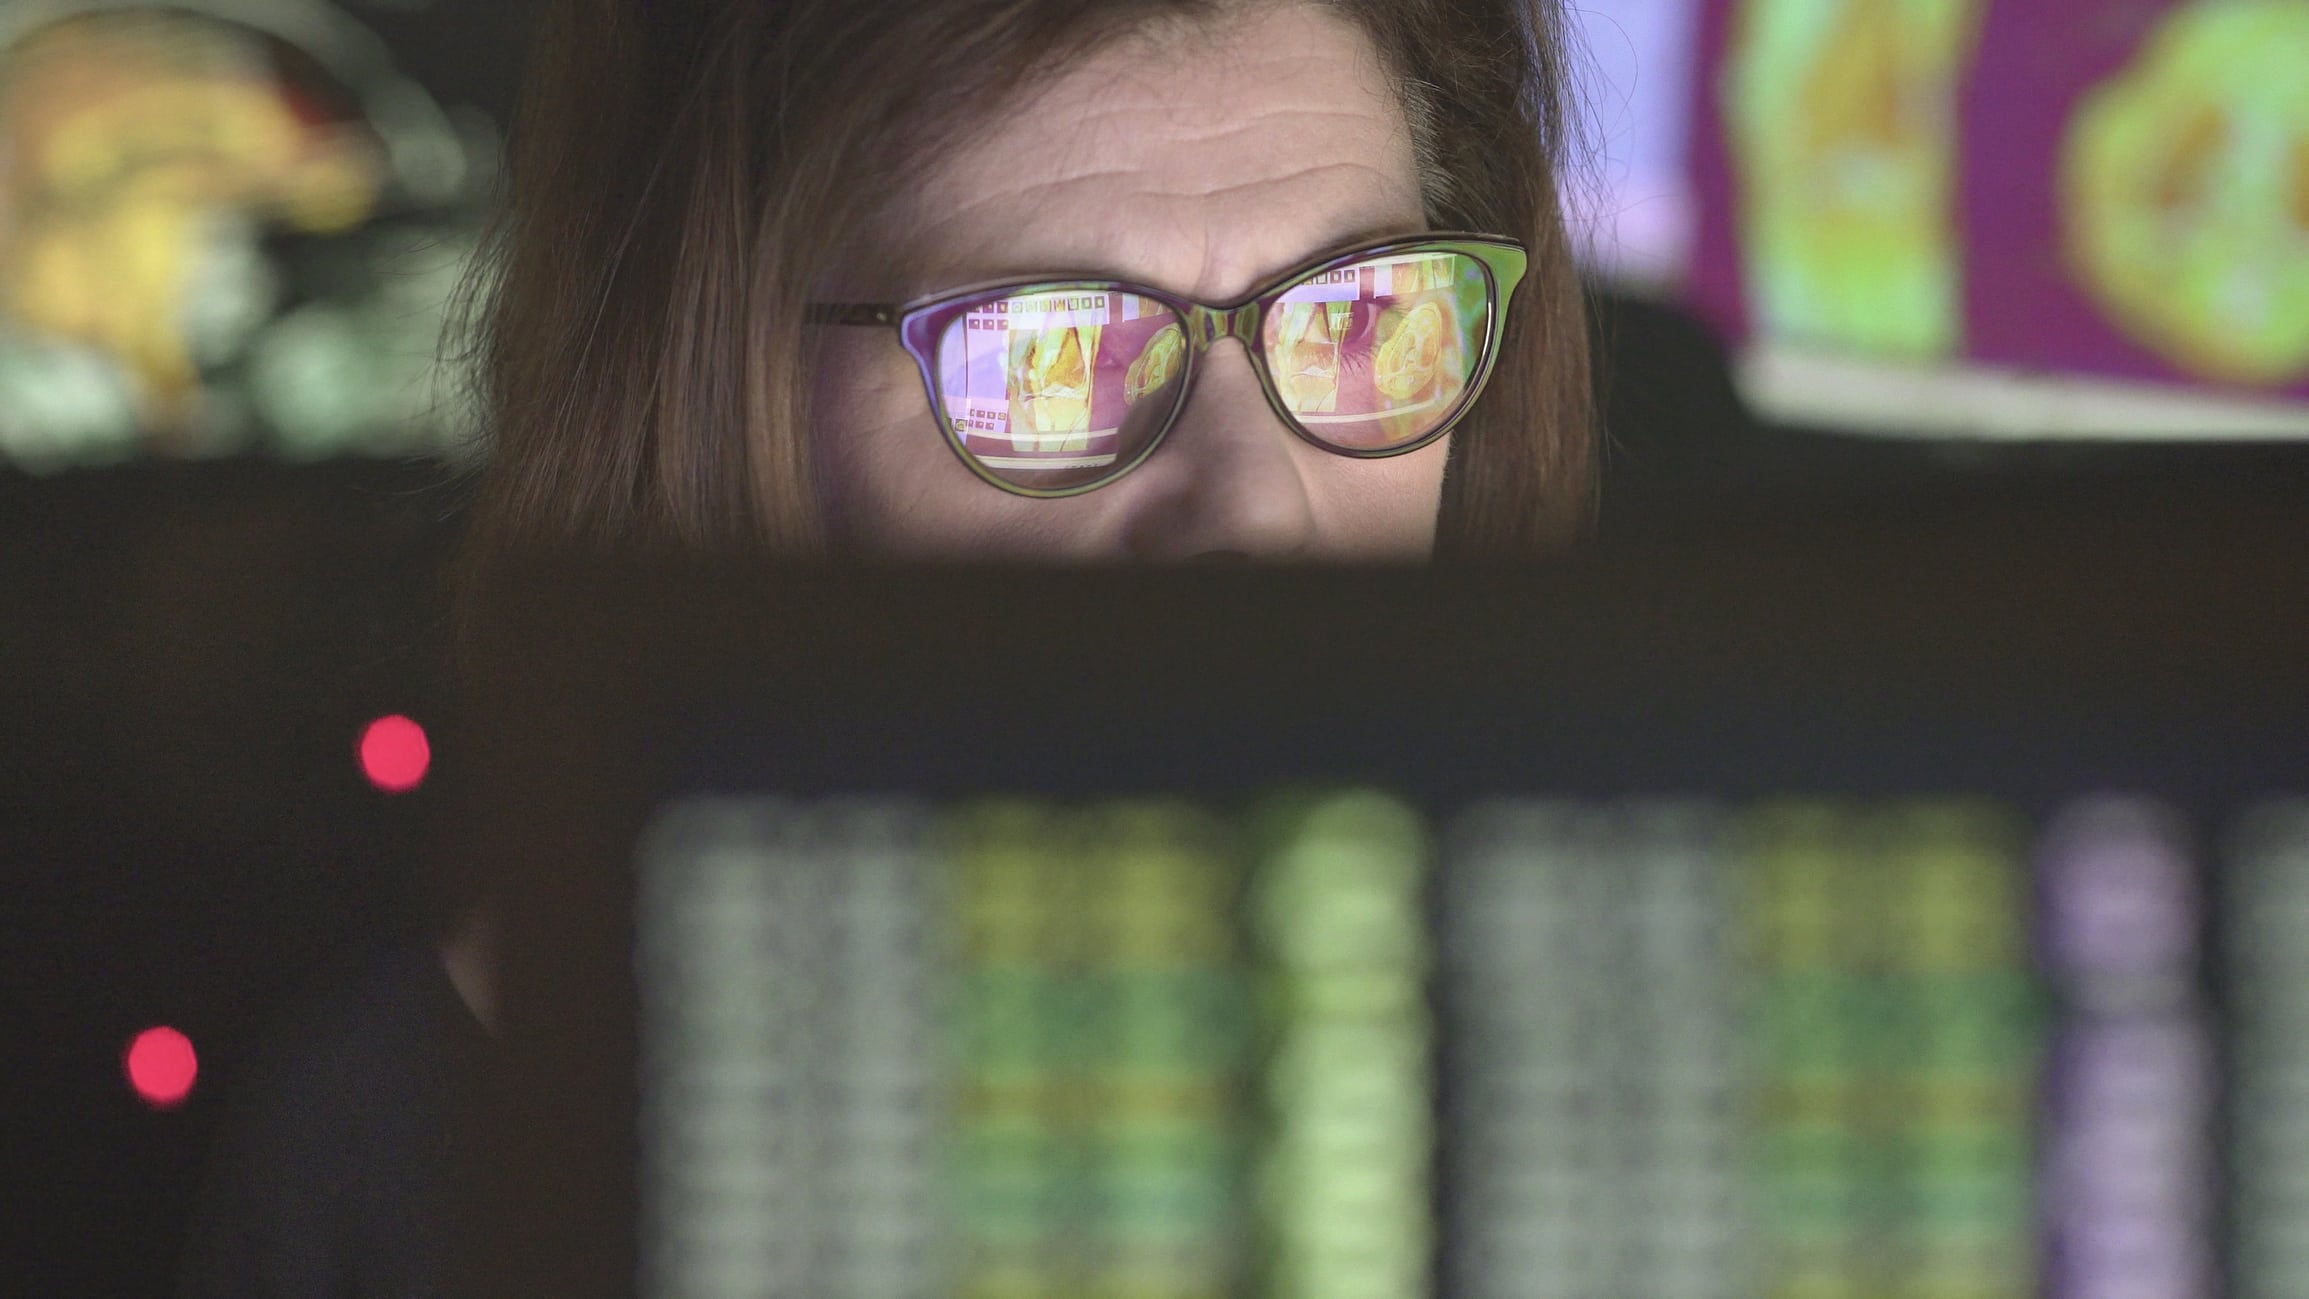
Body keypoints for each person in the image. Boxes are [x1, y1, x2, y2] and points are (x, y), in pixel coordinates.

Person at [183, 0, 1593, 1293]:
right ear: (727, 389)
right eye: (1045, 357)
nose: (1252, 507)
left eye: (1360, 317)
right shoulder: (433, 1157)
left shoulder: (1625, 1037)